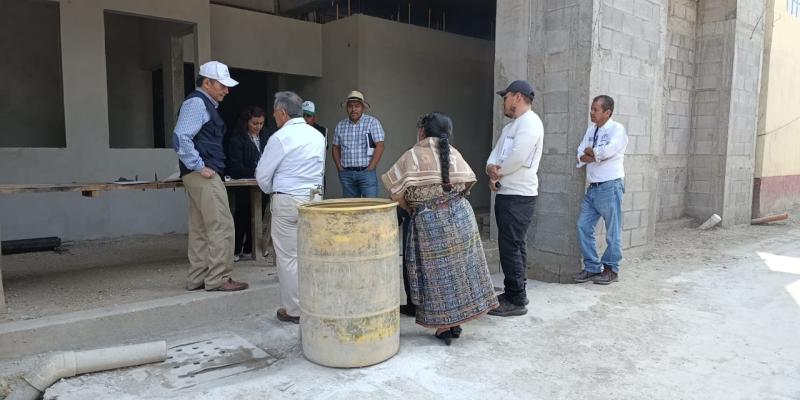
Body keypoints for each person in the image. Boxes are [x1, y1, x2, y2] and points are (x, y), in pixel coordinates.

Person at [382, 112, 498, 345]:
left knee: (435, 275)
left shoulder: (413, 155)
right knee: (459, 272)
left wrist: (411, 208)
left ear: (423, 131)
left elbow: (395, 191)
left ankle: (444, 325)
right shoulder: (454, 153)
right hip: (461, 217)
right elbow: (467, 184)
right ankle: (455, 322)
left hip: (429, 221)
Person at [172, 60, 248, 292]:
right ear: (207, 83)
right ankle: (218, 278)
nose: (226, 90)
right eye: (222, 85)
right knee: (222, 226)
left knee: (201, 228)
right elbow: (180, 137)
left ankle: (198, 278)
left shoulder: (200, 103)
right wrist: (199, 165)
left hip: (196, 175)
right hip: (203, 175)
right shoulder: (197, 103)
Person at [256, 91, 325, 324]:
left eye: (275, 113)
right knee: (310, 255)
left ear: (283, 112)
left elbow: (263, 177)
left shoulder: (280, 137)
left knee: (288, 257)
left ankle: (295, 310)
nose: (275, 117)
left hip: (287, 200)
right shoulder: (317, 135)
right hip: (313, 199)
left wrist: (272, 190)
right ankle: (315, 303)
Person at [485, 80, 543, 317]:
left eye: (505, 97)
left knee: (512, 247)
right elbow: (496, 152)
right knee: (511, 245)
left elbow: (518, 156)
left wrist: (498, 171)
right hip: (506, 193)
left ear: (517, 97)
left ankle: (516, 299)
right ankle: (513, 291)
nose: (503, 102)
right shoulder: (511, 127)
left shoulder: (531, 123)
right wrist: (490, 167)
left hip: (519, 196)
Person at [573, 95, 628, 285]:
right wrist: (591, 154)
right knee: (583, 226)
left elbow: (608, 151)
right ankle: (592, 267)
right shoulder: (591, 130)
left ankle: (611, 268)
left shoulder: (617, 129)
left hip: (610, 186)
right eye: (591, 109)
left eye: (596, 110)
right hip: (593, 188)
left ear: (607, 112)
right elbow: (580, 152)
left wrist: (594, 153)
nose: (592, 113)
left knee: (612, 229)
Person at [225, 106, 271, 262]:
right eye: (254, 123)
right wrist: (256, 170)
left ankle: (251, 248)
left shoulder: (266, 136)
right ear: (246, 122)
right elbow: (235, 166)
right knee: (242, 215)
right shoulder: (237, 139)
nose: (258, 127)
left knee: (259, 215)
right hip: (244, 183)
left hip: (262, 184)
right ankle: (236, 249)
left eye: (261, 123)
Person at [332, 90, 385, 198]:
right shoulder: (340, 125)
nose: (353, 109)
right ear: (346, 108)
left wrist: (371, 167)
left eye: (357, 106)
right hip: (347, 174)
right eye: (350, 106)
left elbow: (380, 145)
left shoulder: (372, 122)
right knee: (351, 210)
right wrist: (339, 167)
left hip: (366, 172)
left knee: (370, 208)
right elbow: (335, 147)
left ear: (363, 107)